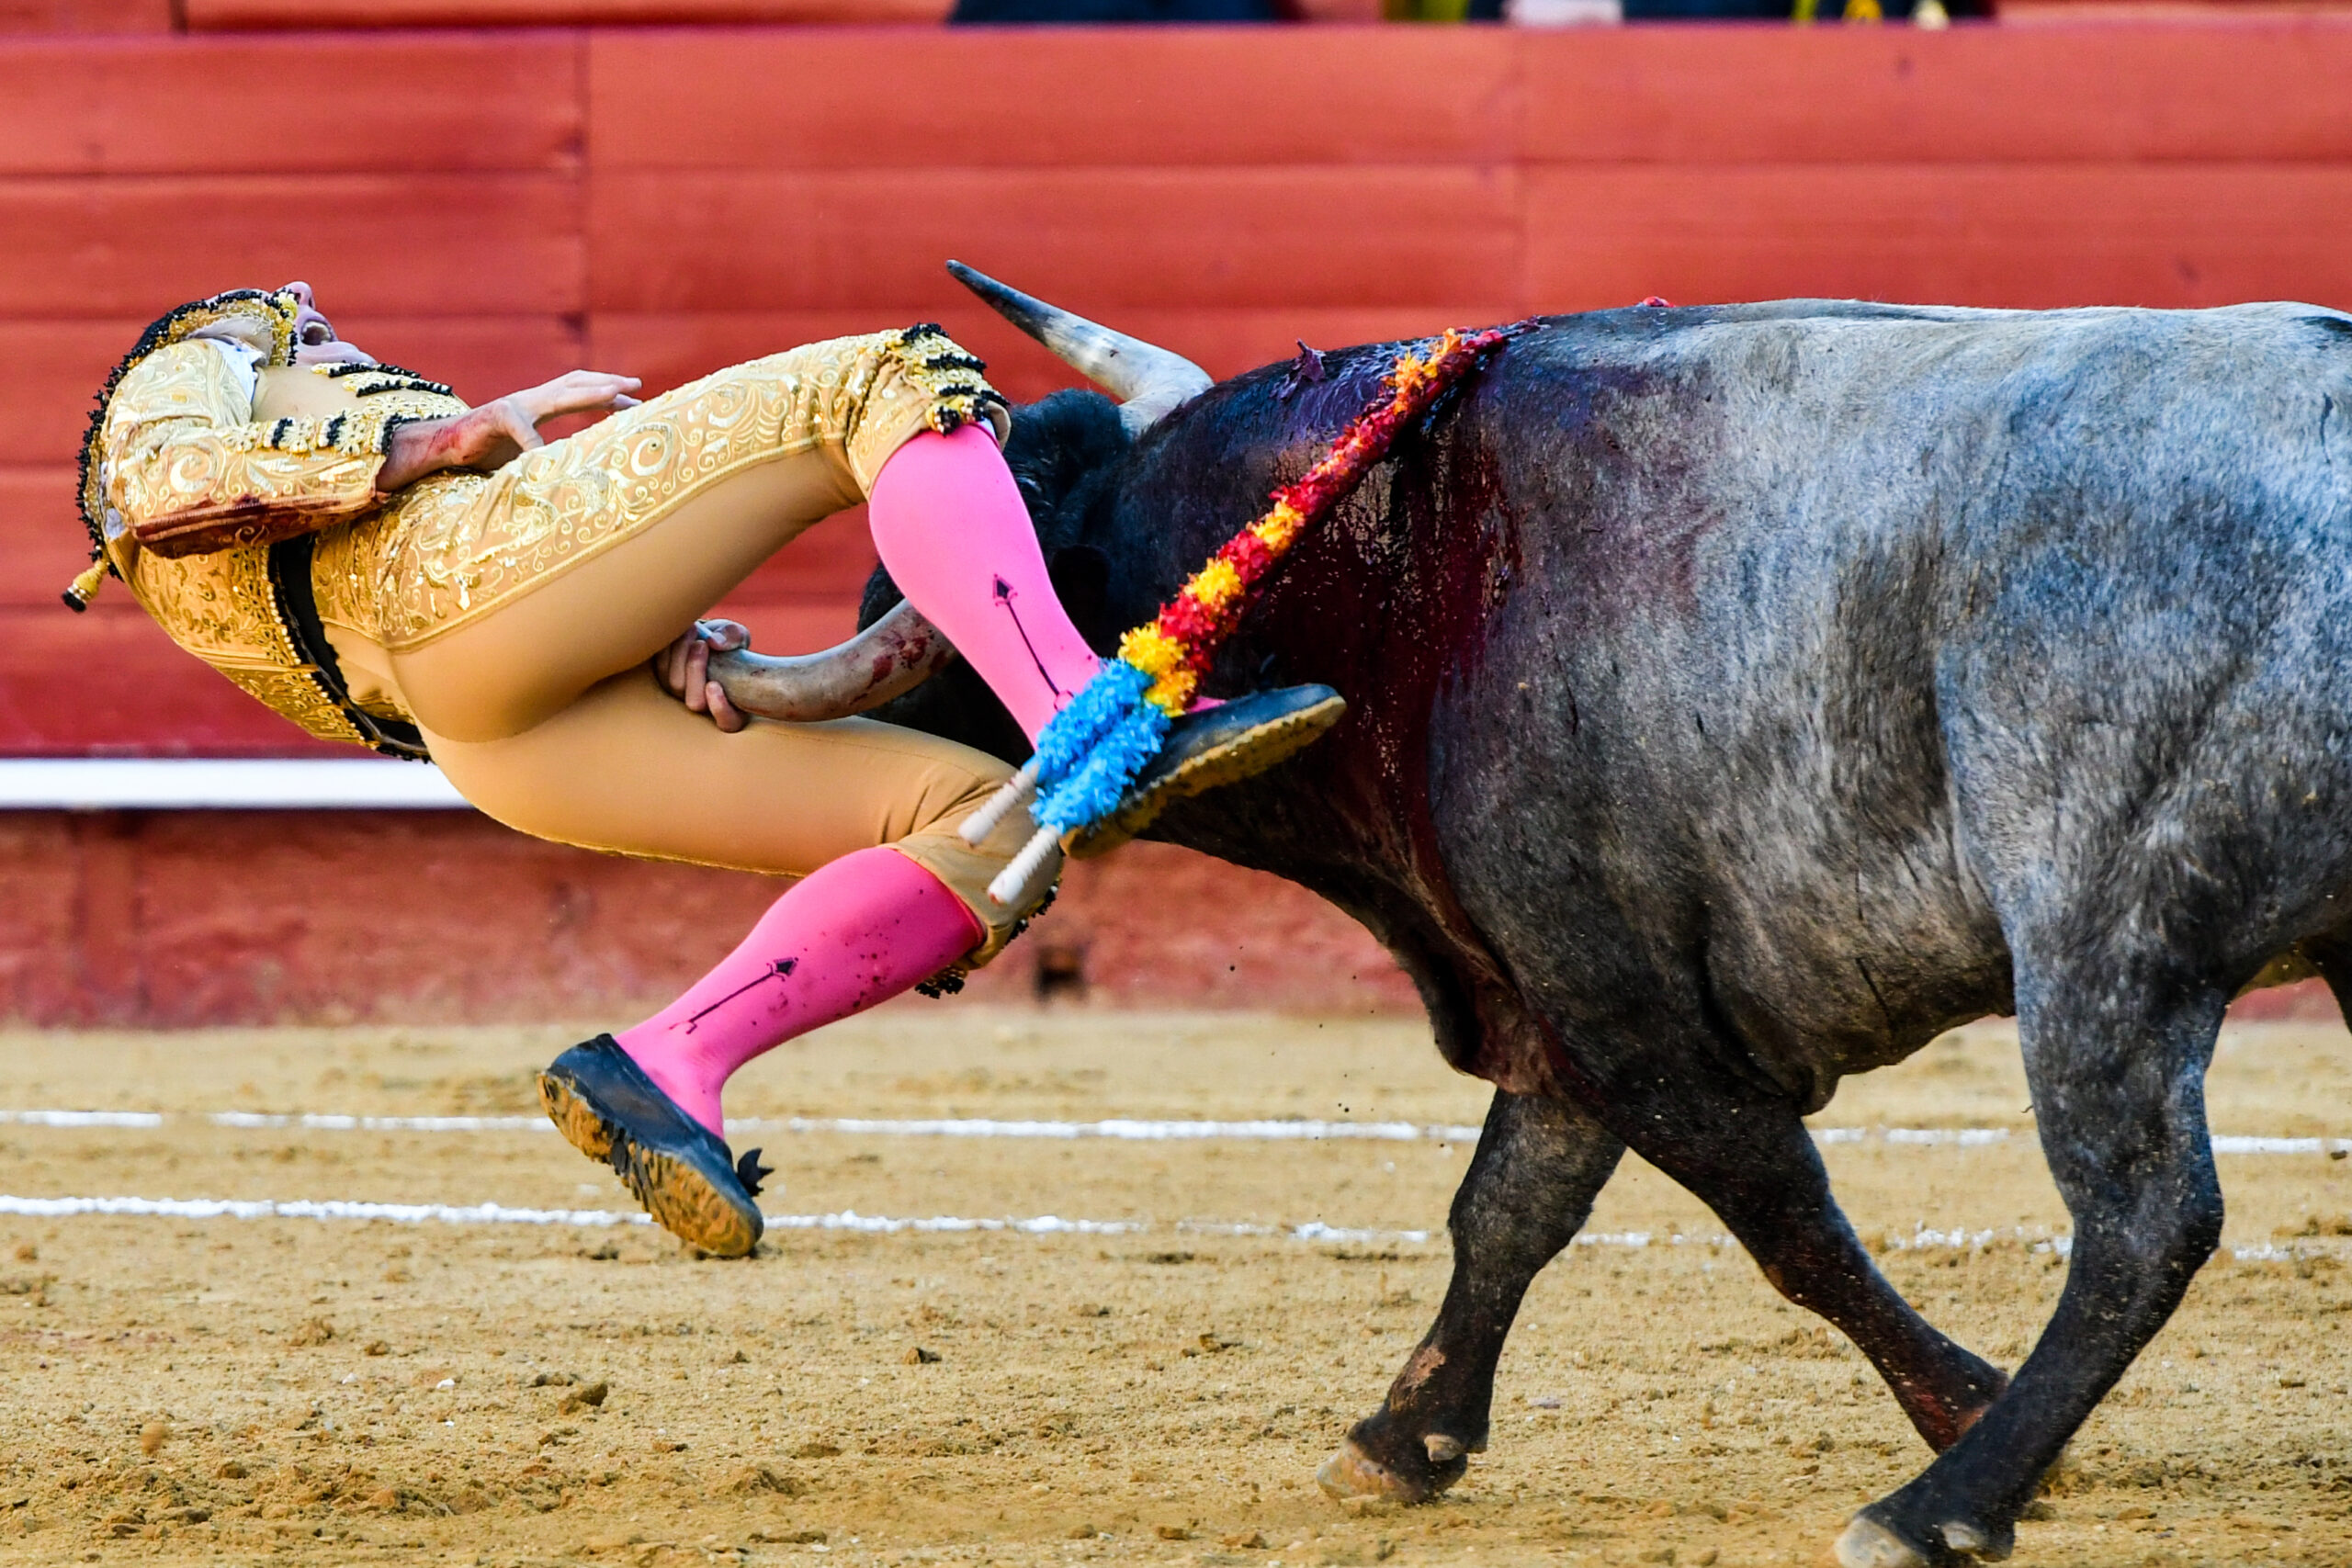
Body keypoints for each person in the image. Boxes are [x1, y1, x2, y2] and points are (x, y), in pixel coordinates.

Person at [73, 284, 1341, 1257]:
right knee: (886, 378)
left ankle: (667, 1066)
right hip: (444, 594)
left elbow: (520, 581)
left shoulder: (253, 519)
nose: (331, 331)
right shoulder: (208, 354)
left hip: (497, 732)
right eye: (314, 327)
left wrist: (660, 636)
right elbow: (165, 486)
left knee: (994, 817)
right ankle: (1085, 702)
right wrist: (444, 440)